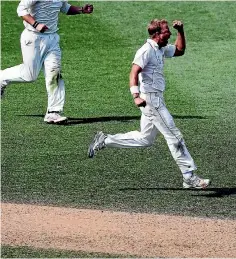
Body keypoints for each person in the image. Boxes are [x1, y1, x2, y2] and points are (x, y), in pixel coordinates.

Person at [87, 19, 210, 189]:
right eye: (167, 30)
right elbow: (133, 73)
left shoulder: (160, 49)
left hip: (156, 98)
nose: (170, 33)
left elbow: (180, 50)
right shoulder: (145, 51)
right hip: (150, 100)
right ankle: (189, 176)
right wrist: (135, 96)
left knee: (145, 139)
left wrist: (181, 30)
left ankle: (105, 140)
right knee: (174, 136)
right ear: (158, 34)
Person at [0, 0, 94, 124]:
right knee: (29, 76)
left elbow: (64, 7)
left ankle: (53, 112)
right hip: (33, 38)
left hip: (52, 39)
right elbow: (21, 10)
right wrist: (36, 24)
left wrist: (81, 10)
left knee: (55, 74)